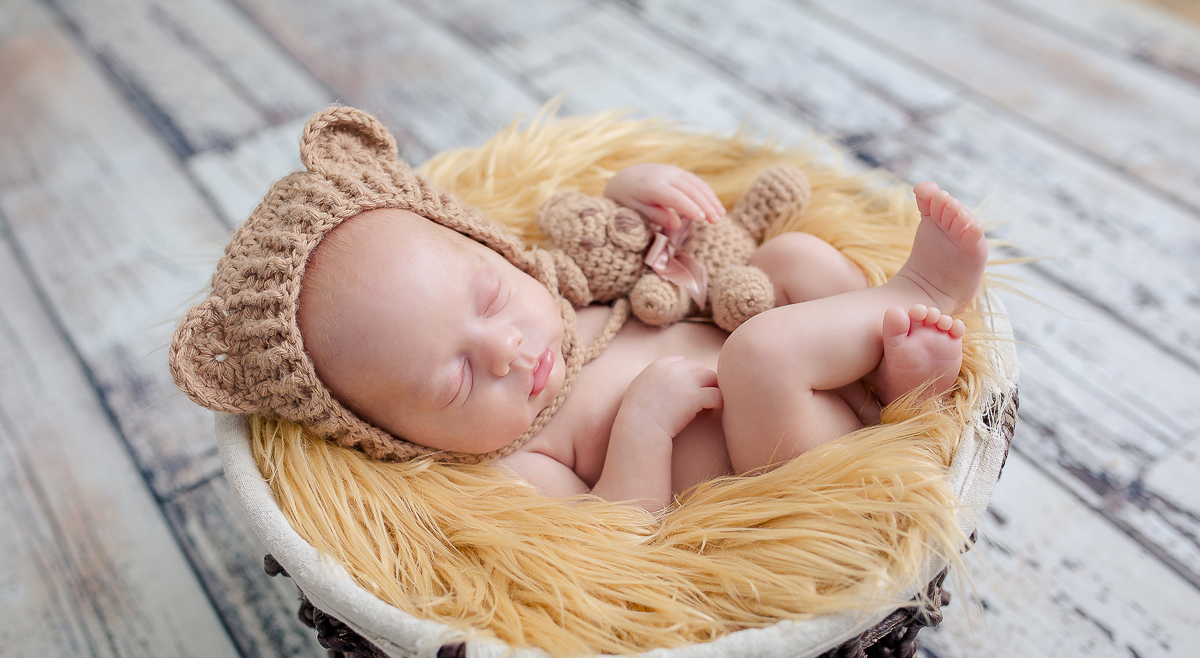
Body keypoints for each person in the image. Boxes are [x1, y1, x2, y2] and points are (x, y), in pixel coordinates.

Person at [297, 163, 986, 514]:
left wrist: (636, 194)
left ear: (499, 253)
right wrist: (644, 427)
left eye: (492, 298)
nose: (504, 349)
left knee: (789, 258)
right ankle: (922, 292)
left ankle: (890, 384)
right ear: (401, 440)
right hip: (783, 458)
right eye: (456, 382)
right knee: (758, 356)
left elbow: (621, 250)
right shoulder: (519, 461)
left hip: (808, 378)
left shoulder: (564, 301)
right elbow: (614, 532)